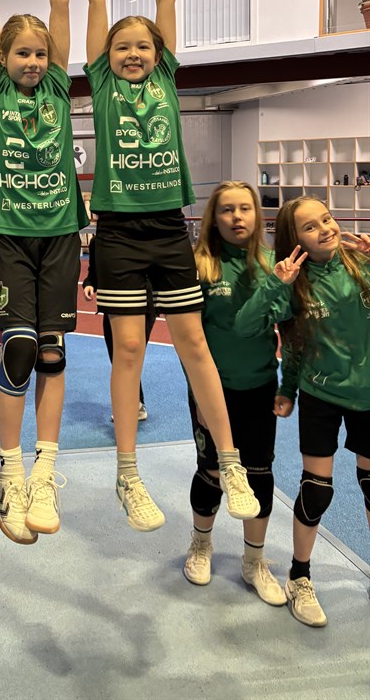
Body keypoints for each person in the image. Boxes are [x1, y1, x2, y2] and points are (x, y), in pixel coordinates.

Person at [81, 0, 259, 531]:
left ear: (159, 54)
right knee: (128, 347)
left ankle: (231, 461)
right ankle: (128, 474)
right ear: (107, 56)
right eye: (122, 47)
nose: (133, 53)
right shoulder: (104, 86)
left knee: (193, 342)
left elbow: (167, 2)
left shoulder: (165, 81)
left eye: (143, 46)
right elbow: (96, 6)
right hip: (118, 231)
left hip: (165, 227)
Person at [0, 0, 87, 544]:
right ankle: (10, 470)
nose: (34, 62)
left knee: (51, 352)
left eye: (41, 54)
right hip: (14, 237)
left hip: (62, 234)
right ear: (3, 57)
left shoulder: (56, 88)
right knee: (17, 348)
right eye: (22, 53)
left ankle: (46, 467)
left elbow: (62, 5)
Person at [236, 196, 370, 626]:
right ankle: (299, 576)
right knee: (316, 491)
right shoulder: (293, 283)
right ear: (294, 240)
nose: (325, 228)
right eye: (310, 227)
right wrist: (287, 388)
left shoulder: (361, 264)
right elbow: (251, 327)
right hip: (320, 396)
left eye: (326, 219)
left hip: (368, 395)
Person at [182, 181, 286, 606]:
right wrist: (199, 396)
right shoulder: (199, 266)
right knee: (212, 471)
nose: (237, 217)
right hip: (214, 390)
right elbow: (189, 343)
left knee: (259, 473)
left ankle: (253, 561)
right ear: (214, 217)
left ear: (257, 215)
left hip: (260, 385)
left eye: (245, 208)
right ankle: (201, 545)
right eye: (227, 209)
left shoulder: (272, 263)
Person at [82, 234, 152, 420]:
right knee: (117, 356)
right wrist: (89, 284)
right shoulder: (97, 242)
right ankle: (135, 403)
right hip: (113, 304)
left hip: (144, 301)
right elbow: (93, 272)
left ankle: (131, 405)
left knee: (129, 355)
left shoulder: (142, 237)